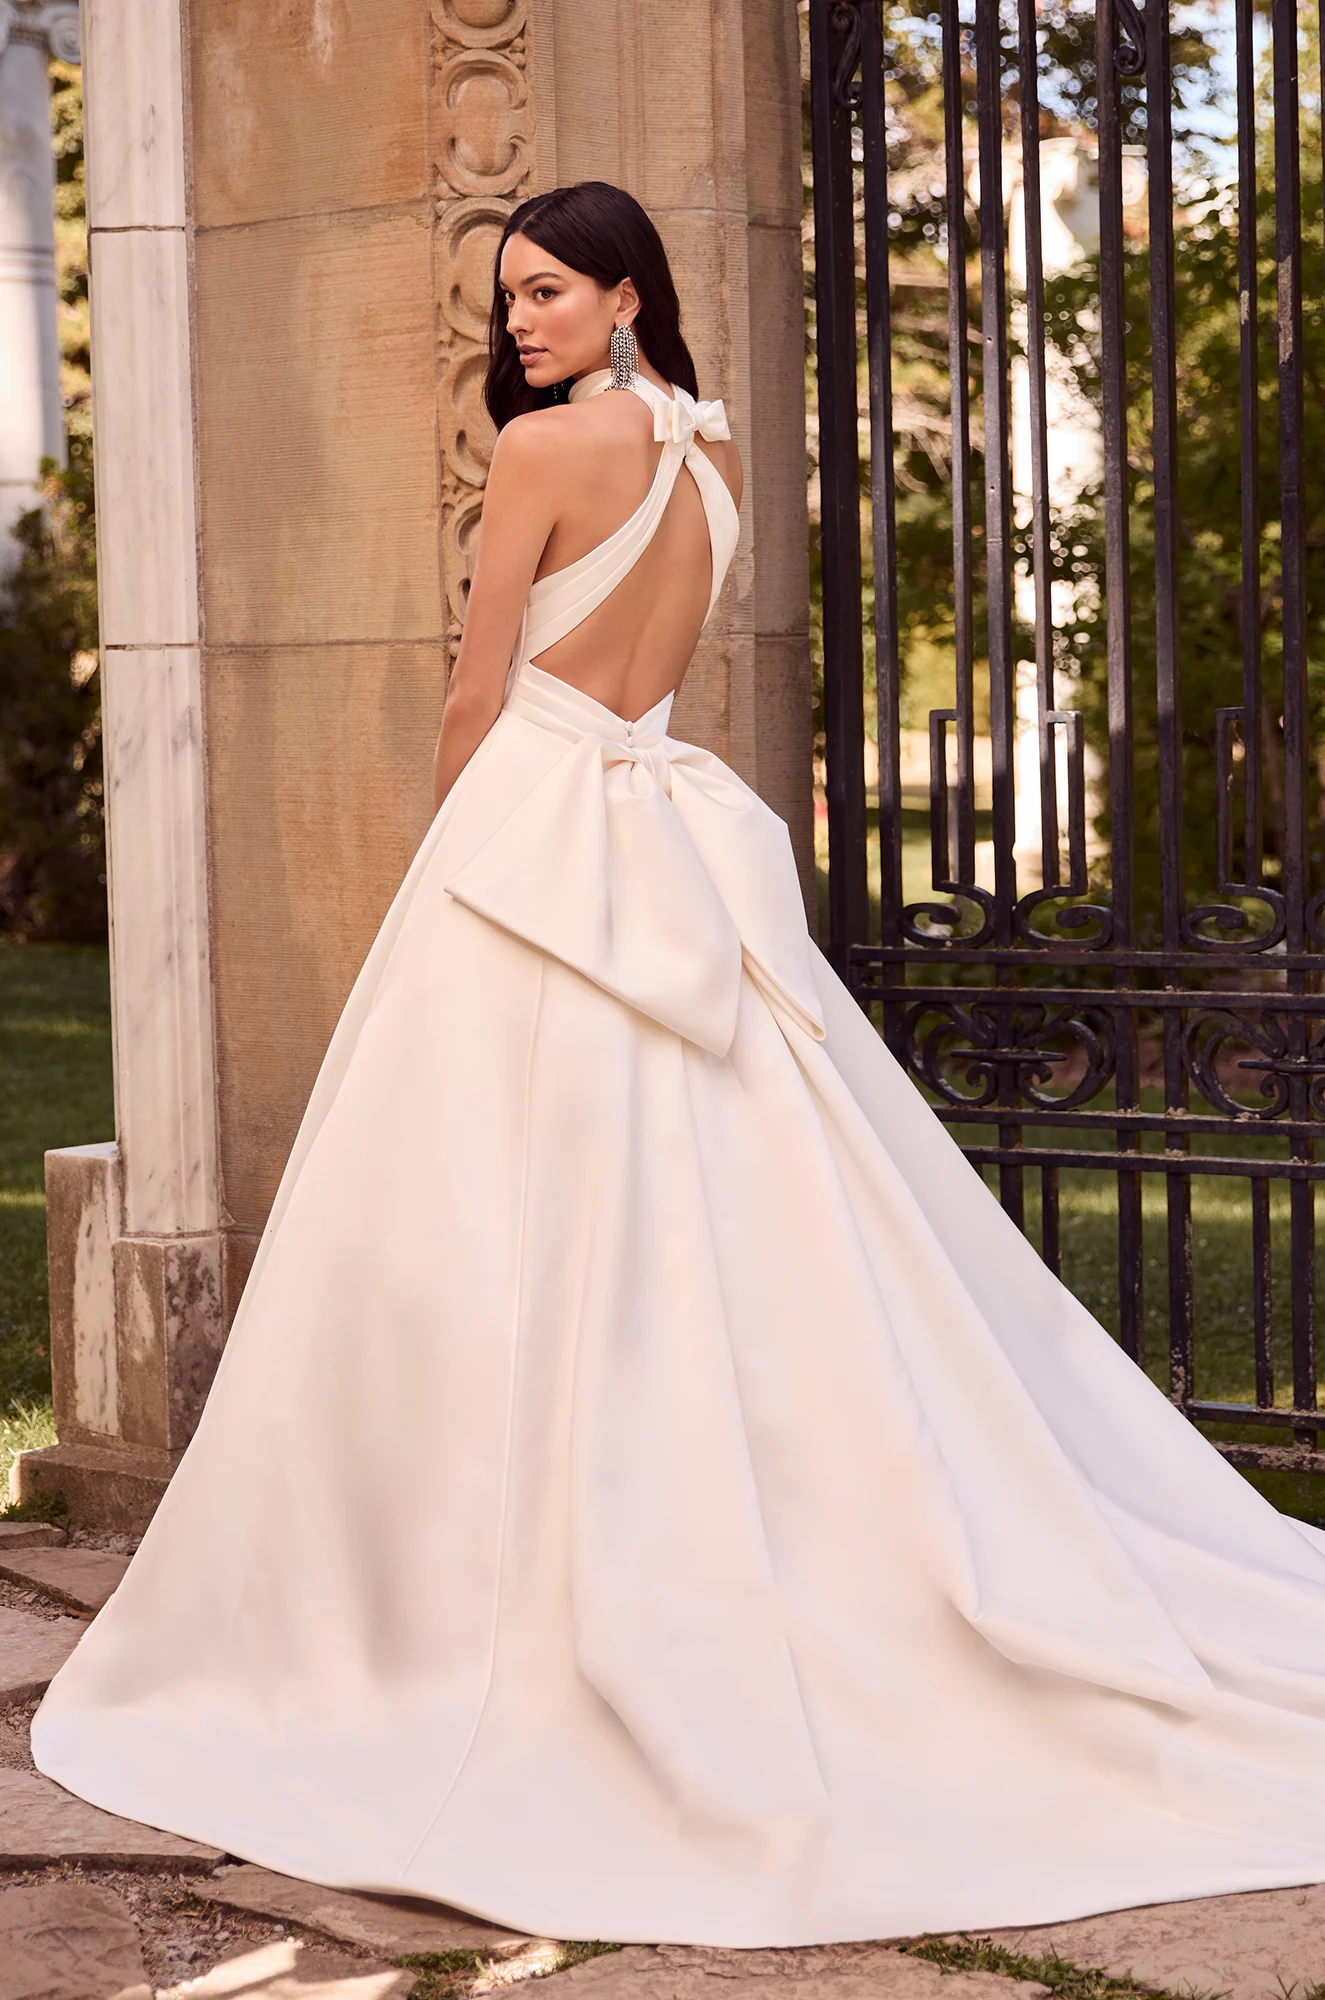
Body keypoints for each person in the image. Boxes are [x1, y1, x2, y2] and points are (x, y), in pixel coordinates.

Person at [31, 181, 1325, 1948]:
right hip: (661, 838)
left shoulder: (553, 456)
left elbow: (474, 696)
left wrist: (446, 862)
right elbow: (656, 688)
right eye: (511, 303)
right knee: (736, 1208)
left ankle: (468, 1604)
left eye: (550, 293)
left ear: (628, 294)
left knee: (476, 1231)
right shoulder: (711, 467)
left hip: (541, 840)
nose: (522, 325)